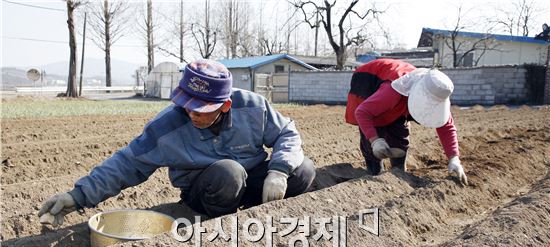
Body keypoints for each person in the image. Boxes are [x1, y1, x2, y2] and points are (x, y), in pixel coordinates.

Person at [39, 59, 316, 226]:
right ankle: (223, 225)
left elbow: (287, 133)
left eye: (202, 109)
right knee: (228, 172)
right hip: (207, 190)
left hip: (251, 179)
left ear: (225, 105)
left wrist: (278, 171)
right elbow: (127, 163)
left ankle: (260, 214)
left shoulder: (252, 107)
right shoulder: (167, 127)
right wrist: (77, 196)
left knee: (303, 170)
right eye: (187, 105)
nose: (192, 114)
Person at [346, 58, 468, 185]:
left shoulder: (437, 92)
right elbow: (363, 112)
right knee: (377, 127)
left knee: (399, 135)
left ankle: (398, 173)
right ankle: (374, 173)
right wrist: (375, 140)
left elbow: (446, 126)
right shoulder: (392, 91)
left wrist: (454, 159)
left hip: (396, 93)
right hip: (369, 79)